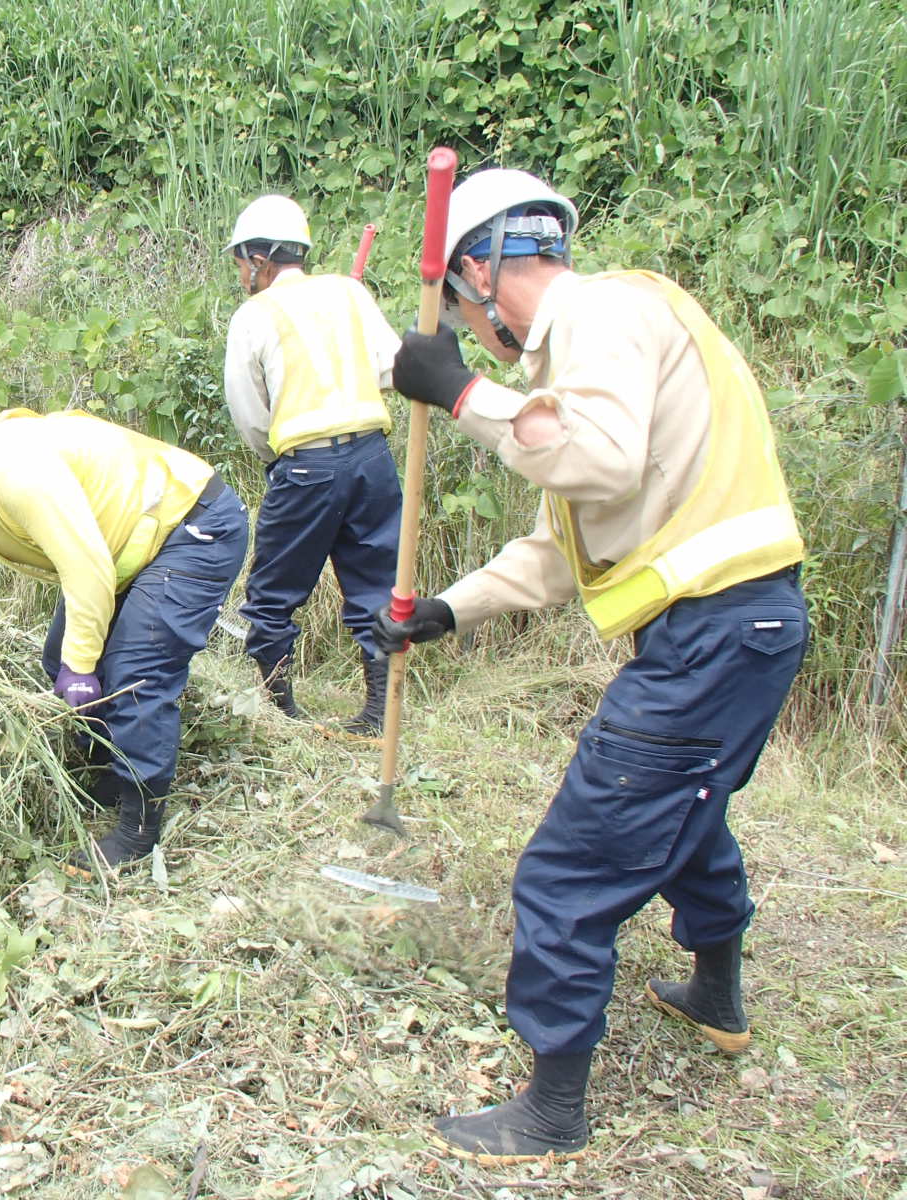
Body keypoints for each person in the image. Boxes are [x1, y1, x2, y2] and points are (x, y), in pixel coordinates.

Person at [374, 168, 807, 1162]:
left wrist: (461, 391)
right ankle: (715, 992)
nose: (470, 335)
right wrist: (446, 610)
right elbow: (558, 546)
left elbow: (598, 460)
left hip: (714, 633)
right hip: (744, 629)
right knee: (685, 812)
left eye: (457, 308)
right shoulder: (615, 332)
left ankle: (550, 1112)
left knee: (571, 866)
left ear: (478, 273)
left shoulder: (602, 314)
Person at [0, 387, 247, 872]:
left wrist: (82, 668)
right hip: (122, 555)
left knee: (133, 673)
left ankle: (139, 825)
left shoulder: (16, 469)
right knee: (59, 659)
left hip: (189, 525)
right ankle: (107, 776)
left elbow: (86, 570)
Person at [223, 194, 404, 732]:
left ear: (259, 259)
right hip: (373, 458)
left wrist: (276, 457)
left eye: (240, 262)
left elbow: (249, 412)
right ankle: (377, 712)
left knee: (273, 593)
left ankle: (283, 714)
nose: (240, 274)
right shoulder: (349, 292)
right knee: (376, 584)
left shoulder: (254, 314)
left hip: (305, 467)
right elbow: (394, 368)